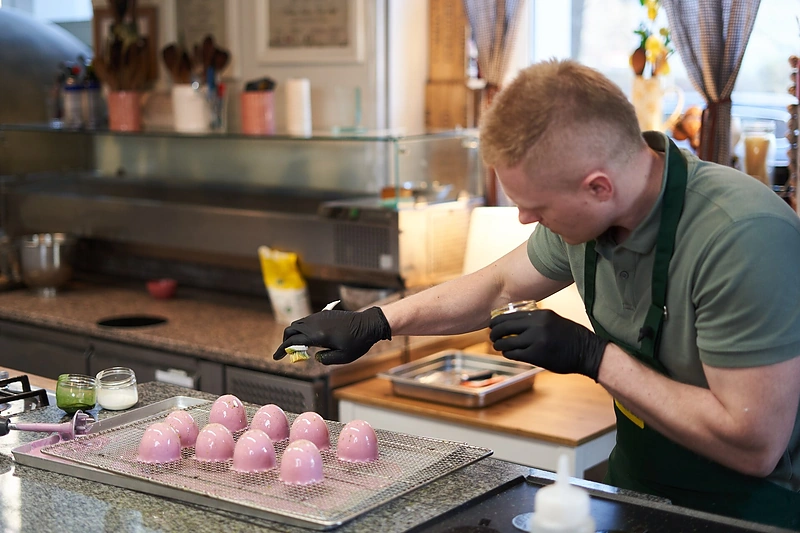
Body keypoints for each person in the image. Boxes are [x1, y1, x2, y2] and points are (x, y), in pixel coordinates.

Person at [273, 59, 800, 529]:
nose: (526, 219)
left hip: (748, 512)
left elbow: (753, 445)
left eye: (538, 208)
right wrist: (376, 321)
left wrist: (593, 356)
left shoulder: (741, 238)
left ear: (599, 187)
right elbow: (496, 285)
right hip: (640, 487)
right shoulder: (591, 219)